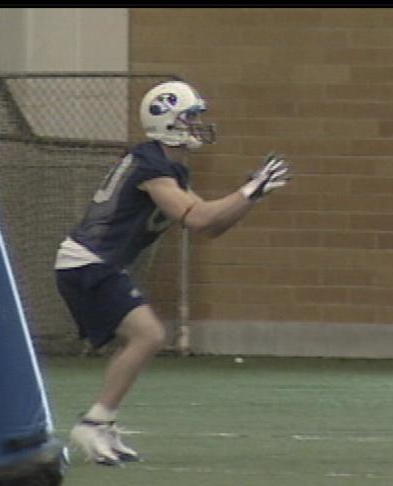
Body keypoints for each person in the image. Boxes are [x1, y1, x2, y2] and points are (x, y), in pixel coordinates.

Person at [54, 80, 290, 465]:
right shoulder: (152, 165)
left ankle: (101, 422)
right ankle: (94, 422)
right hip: (87, 263)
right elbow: (198, 218)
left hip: (96, 263)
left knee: (145, 337)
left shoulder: (165, 167)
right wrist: (250, 189)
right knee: (148, 335)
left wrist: (254, 195)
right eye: (191, 117)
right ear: (167, 121)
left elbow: (211, 226)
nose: (198, 124)